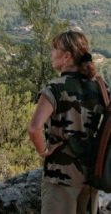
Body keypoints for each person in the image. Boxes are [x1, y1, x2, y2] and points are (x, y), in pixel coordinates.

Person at [28, 30, 107, 214]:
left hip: (60, 177)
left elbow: (34, 128)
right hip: (91, 176)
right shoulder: (100, 87)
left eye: (54, 49)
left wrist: (44, 151)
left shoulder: (55, 88)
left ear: (67, 56)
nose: (51, 53)